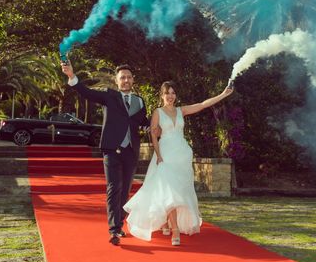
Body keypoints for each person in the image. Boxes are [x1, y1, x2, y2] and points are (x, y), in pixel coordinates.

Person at [124, 81, 233, 246]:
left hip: (182, 155)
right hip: (166, 155)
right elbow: (154, 136)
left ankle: (168, 222)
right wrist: (159, 155)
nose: (170, 96)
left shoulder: (181, 110)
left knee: (178, 191)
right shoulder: (158, 112)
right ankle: (175, 229)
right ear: (162, 95)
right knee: (170, 192)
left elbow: (202, 105)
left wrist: (224, 94)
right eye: (167, 93)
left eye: (173, 93)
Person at [61, 61, 149, 246]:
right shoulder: (109, 96)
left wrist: (158, 125)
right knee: (113, 187)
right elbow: (87, 92)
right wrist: (72, 76)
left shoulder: (140, 101)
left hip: (131, 150)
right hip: (111, 149)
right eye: (122, 77)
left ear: (133, 80)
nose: (126, 80)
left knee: (125, 190)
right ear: (117, 81)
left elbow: (143, 123)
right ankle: (114, 230)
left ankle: (119, 223)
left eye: (129, 77)